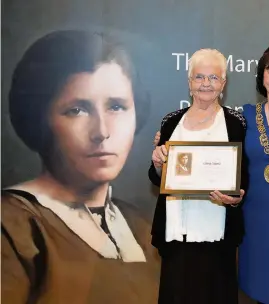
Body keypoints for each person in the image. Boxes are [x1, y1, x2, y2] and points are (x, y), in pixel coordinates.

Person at [152, 41, 269, 304]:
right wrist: (165, 154)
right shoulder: (247, 118)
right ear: (262, 77)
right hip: (256, 230)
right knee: (259, 294)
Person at [1, 30, 159, 304]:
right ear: (41, 120)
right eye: (77, 110)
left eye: (117, 107)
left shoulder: (142, 227)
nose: (102, 131)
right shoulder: (12, 227)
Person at [148, 48, 248, 304]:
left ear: (223, 83)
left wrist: (235, 198)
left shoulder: (236, 123)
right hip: (177, 233)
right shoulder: (171, 122)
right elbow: (157, 177)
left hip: (218, 235)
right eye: (199, 77)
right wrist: (158, 162)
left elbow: (243, 176)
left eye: (213, 78)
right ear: (189, 82)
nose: (206, 84)